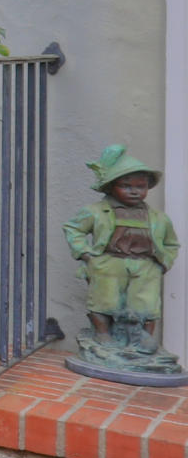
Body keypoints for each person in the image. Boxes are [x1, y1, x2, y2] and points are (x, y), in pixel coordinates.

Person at [63, 145, 178, 349]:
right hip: (109, 262)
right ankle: (103, 333)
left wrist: (163, 264)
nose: (134, 191)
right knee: (104, 300)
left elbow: (171, 243)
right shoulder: (96, 211)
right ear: (111, 187)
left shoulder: (158, 218)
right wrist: (86, 255)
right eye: (126, 186)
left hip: (146, 265)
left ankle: (144, 339)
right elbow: (73, 228)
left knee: (147, 303)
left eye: (140, 186)